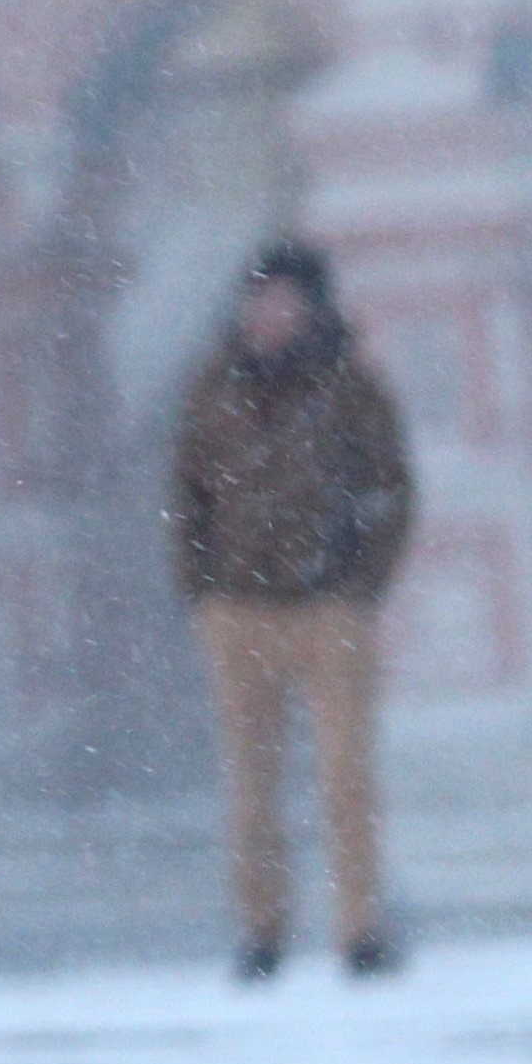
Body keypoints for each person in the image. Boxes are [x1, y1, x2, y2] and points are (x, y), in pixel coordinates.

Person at [168, 239, 414, 982]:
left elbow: (390, 490)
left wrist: (360, 585)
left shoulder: (350, 389)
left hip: (328, 606)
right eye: (259, 298)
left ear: (311, 308)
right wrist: (202, 589)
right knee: (250, 780)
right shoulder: (212, 389)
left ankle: (359, 927)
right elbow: (186, 495)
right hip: (238, 608)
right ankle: (261, 929)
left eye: (283, 299)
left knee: (346, 776)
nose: (269, 313)